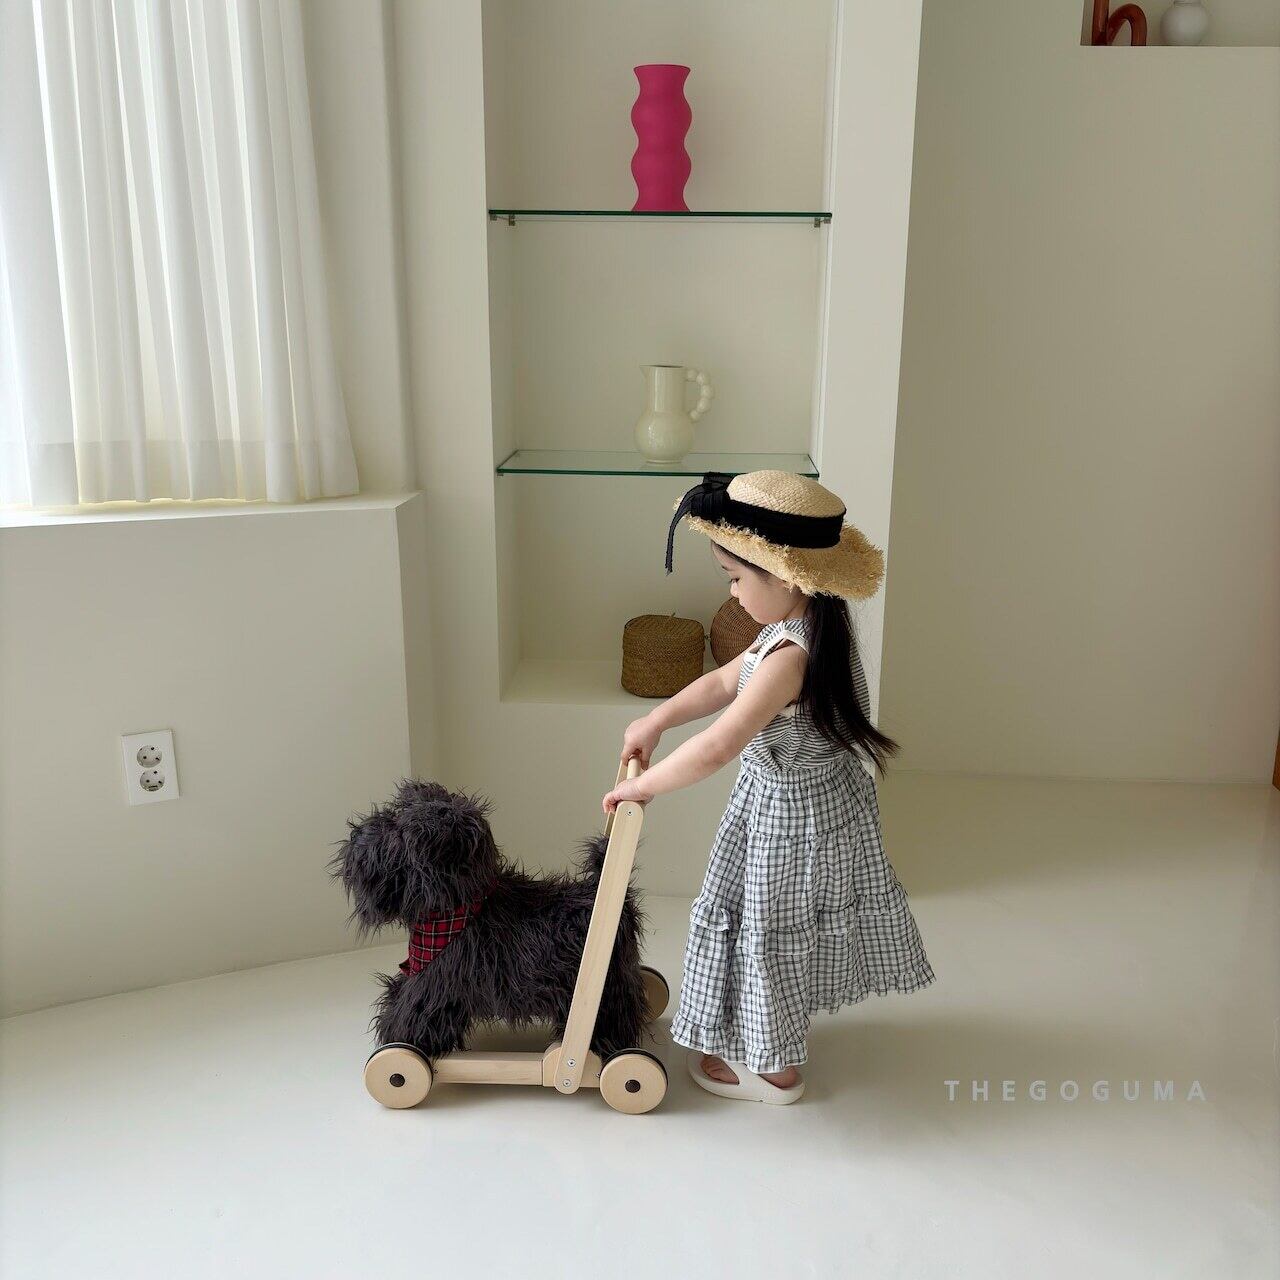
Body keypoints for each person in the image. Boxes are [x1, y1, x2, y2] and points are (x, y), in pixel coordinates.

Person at [602, 470, 935, 1104]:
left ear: (785, 577)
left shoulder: (790, 660)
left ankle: (774, 1071)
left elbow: (718, 746)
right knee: (773, 924)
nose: (730, 593)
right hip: (796, 805)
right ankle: (765, 1034)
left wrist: (642, 790)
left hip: (790, 821)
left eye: (735, 578)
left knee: (768, 928)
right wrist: (657, 719)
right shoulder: (799, 628)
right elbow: (723, 681)